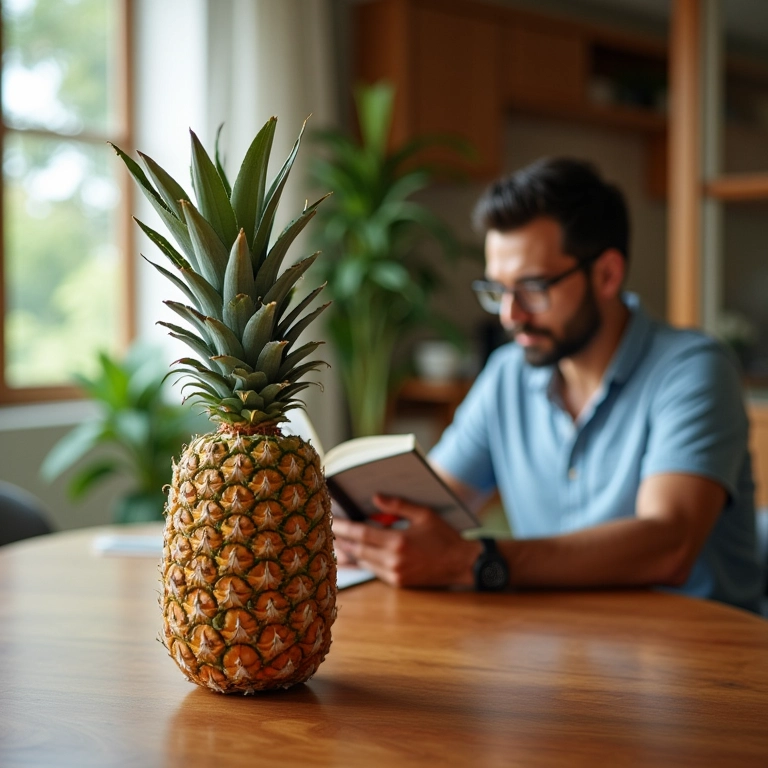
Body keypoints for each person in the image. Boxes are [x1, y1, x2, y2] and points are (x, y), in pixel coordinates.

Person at [333, 157, 763, 613]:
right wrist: (363, 530)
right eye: (498, 289)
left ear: (607, 275)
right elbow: (427, 502)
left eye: (533, 287)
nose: (509, 315)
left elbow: (667, 545)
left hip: (698, 657)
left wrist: (473, 562)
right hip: (556, 651)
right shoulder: (507, 375)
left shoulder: (693, 369)